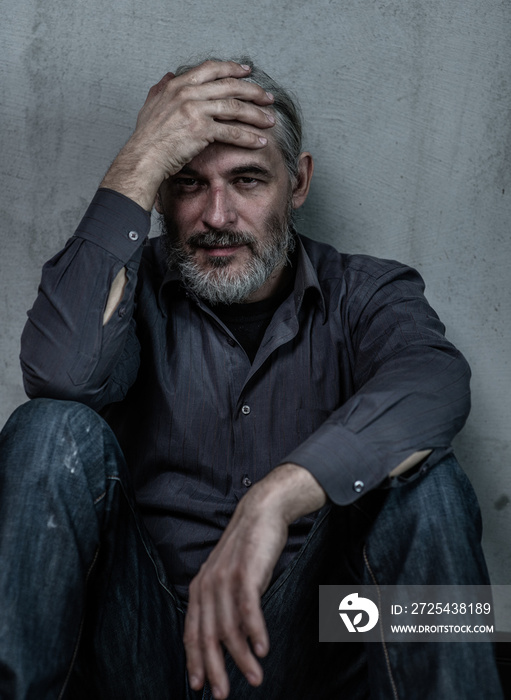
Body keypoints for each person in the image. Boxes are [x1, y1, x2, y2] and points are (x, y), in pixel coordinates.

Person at [0, 57, 503, 699]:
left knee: (425, 478)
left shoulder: (367, 291)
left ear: (298, 183)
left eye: (247, 180)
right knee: (49, 431)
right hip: (140, 652)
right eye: (186, 183)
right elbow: (59, 376)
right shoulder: (124, 291)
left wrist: (277, 496)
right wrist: (141, 154)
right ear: (157, 191)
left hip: (321, 641)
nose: (218, 214)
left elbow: (434, 384)